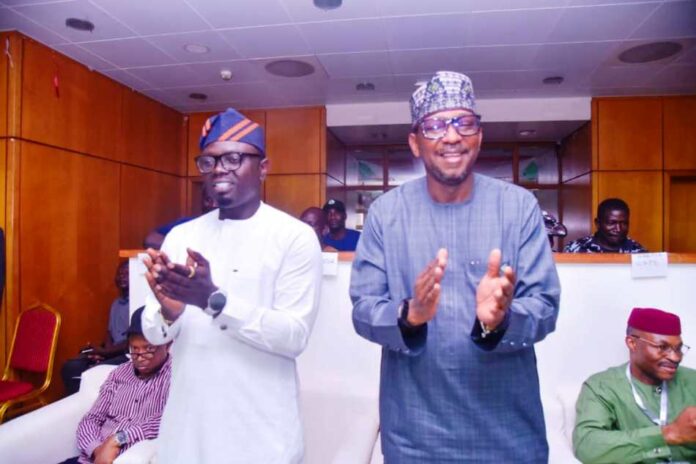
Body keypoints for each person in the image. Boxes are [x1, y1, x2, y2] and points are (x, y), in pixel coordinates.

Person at [350, 70, 561, 462]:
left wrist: (500, 321)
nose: (451, 136)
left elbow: (545, 306)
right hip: (415, 437)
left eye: (464, 122)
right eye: (434, 125)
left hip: (507, 435)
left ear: (479, 135)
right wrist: (408, 316)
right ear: (415, 143)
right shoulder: (385, 214)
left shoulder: (517, 208)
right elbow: (363, 310)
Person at [140, 108, 323, 464]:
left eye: (234, 158)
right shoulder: (182, 236)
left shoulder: (294, 238)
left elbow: (293, 336)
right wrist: (168, 312)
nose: (220, 168)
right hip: (188, 433)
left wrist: (213, 300)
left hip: (259, 436)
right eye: (209, 161)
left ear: (264, 167)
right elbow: (154, 333)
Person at [573, 307, 696, 464]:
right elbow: (586, 446)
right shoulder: (602, 387)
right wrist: (667, 434)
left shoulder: (693, 380)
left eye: (678, 348)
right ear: (632, 343)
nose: (675, 357)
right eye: (662, 347)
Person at [58, 307, 172, 464]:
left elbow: (166, 420)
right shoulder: (119, 374)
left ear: (167, 344)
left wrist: (118, 439)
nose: (140, 358)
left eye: (149, 349)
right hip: (91, 458)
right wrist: (98, 451)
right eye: (134, 349)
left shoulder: (176, 377)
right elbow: (91, 419)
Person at [61, 261, 131, 396]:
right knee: (70, 366)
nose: (122, 277)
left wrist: (106, 353)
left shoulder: (137, 303)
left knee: (91, 372)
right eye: (120, 274)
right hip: (111, 352)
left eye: (127, 274)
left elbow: (130, 342)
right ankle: (75, 408)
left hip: (125, 355)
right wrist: (103, 351)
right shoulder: (116, 304)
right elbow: (110, 333)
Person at [143, 189, 218, 250]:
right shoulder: (187, 222)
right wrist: (185, 246)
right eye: (208, 200)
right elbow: (150, 240)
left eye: (218, 200)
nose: (213, 205)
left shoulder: (228, 227)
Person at [564, 198, 646, 253]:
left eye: (624, 223)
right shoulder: (576, 249)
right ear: (598, 223)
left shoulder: (638, 252)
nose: (618, 229)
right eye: (612, 223)